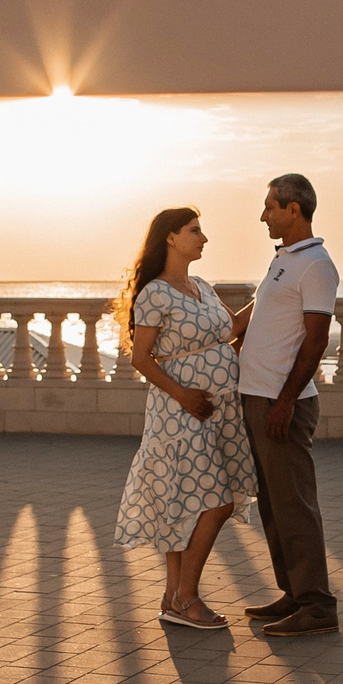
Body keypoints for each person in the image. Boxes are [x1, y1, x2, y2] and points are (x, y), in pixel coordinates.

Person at [109, 206, 260, 630]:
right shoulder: (155, 293)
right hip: (180, 412)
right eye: (195, 230)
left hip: (219, 409)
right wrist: (184, 395)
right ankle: (189, 597)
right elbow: (142, 357)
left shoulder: (201, 286)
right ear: (171, 238)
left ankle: (172, 599)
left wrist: (270, 292)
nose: (203, 238)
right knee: (218, 501)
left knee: (182, 505)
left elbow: (228, 328)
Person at [232, 173, 339, 637]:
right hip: (257, 398)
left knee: (294, 505)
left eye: (270, 207)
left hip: (282, 403)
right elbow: (249, 322)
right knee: (274, 505)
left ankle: (317, 605)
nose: (263, 215)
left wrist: (286, 401)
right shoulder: (284, 260)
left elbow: (316, 341)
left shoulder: (316, 264)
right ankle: (294, 593)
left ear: (294, 209)